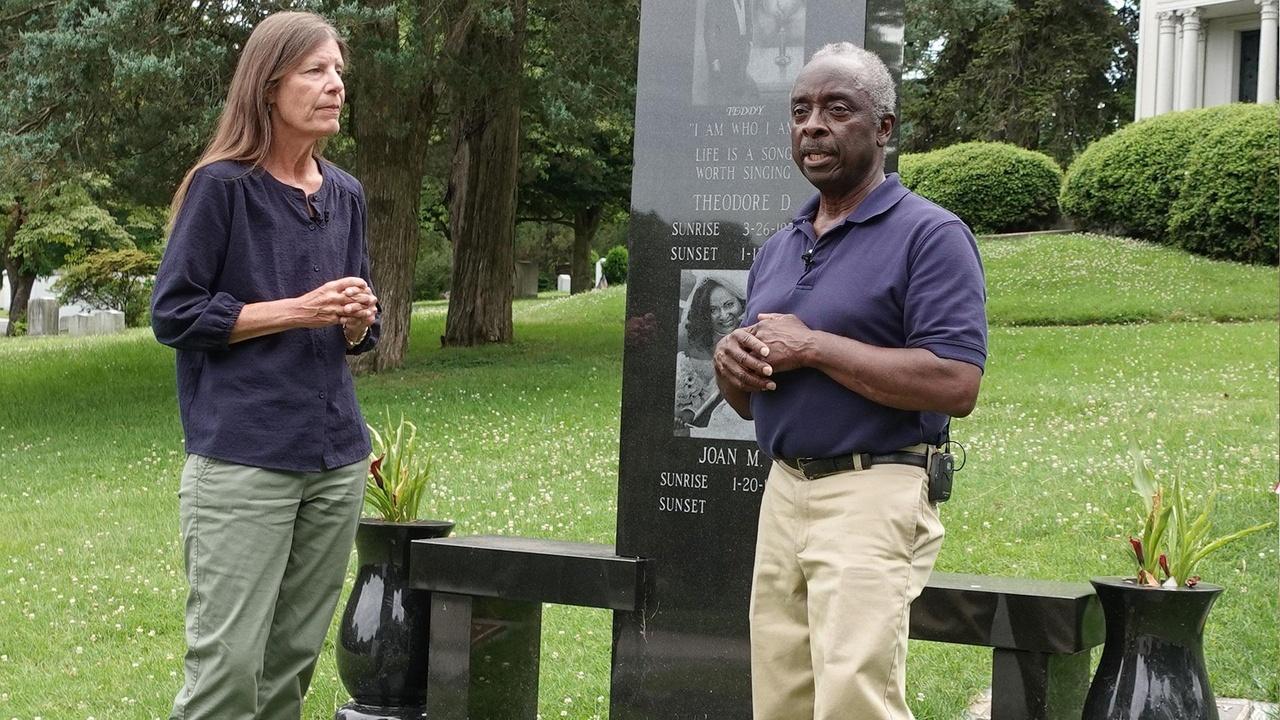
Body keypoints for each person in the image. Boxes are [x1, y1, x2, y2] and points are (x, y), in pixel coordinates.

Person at [713, 42, 987, 720]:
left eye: (838, 109)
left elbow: (957, 382)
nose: (812, 126)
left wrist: (814, 346)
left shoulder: (931, 235)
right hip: (783, 490)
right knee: (781, 698)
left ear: (884, 129)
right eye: (800, 110)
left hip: (873, 490)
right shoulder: (781, 245)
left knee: (853, 702)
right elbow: (750, 402)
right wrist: (731, 366)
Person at [150, 12, 379, 720]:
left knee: (288, 670)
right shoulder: (221, 187)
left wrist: (355, 322)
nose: (334, 85)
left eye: (338, 71)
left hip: (336, 459)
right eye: (315, 71)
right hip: (245, 459)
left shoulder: (345, 194)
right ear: (268, 84)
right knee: (229, 671)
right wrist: (297, 309)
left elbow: (353, 332)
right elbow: (176, 314)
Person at [674, 275, 749, 436]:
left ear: (741, 303)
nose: (723, 315)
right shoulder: (690, 361)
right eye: (713, 309)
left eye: (729, 305)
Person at [704, 0, 757, 103]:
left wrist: (749, 41)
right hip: (725, 54)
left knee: (741, 89)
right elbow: (709, 32)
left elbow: (748, 21)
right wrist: (714, 59)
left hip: (744, 50)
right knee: (727, 94)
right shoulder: (715, 2)